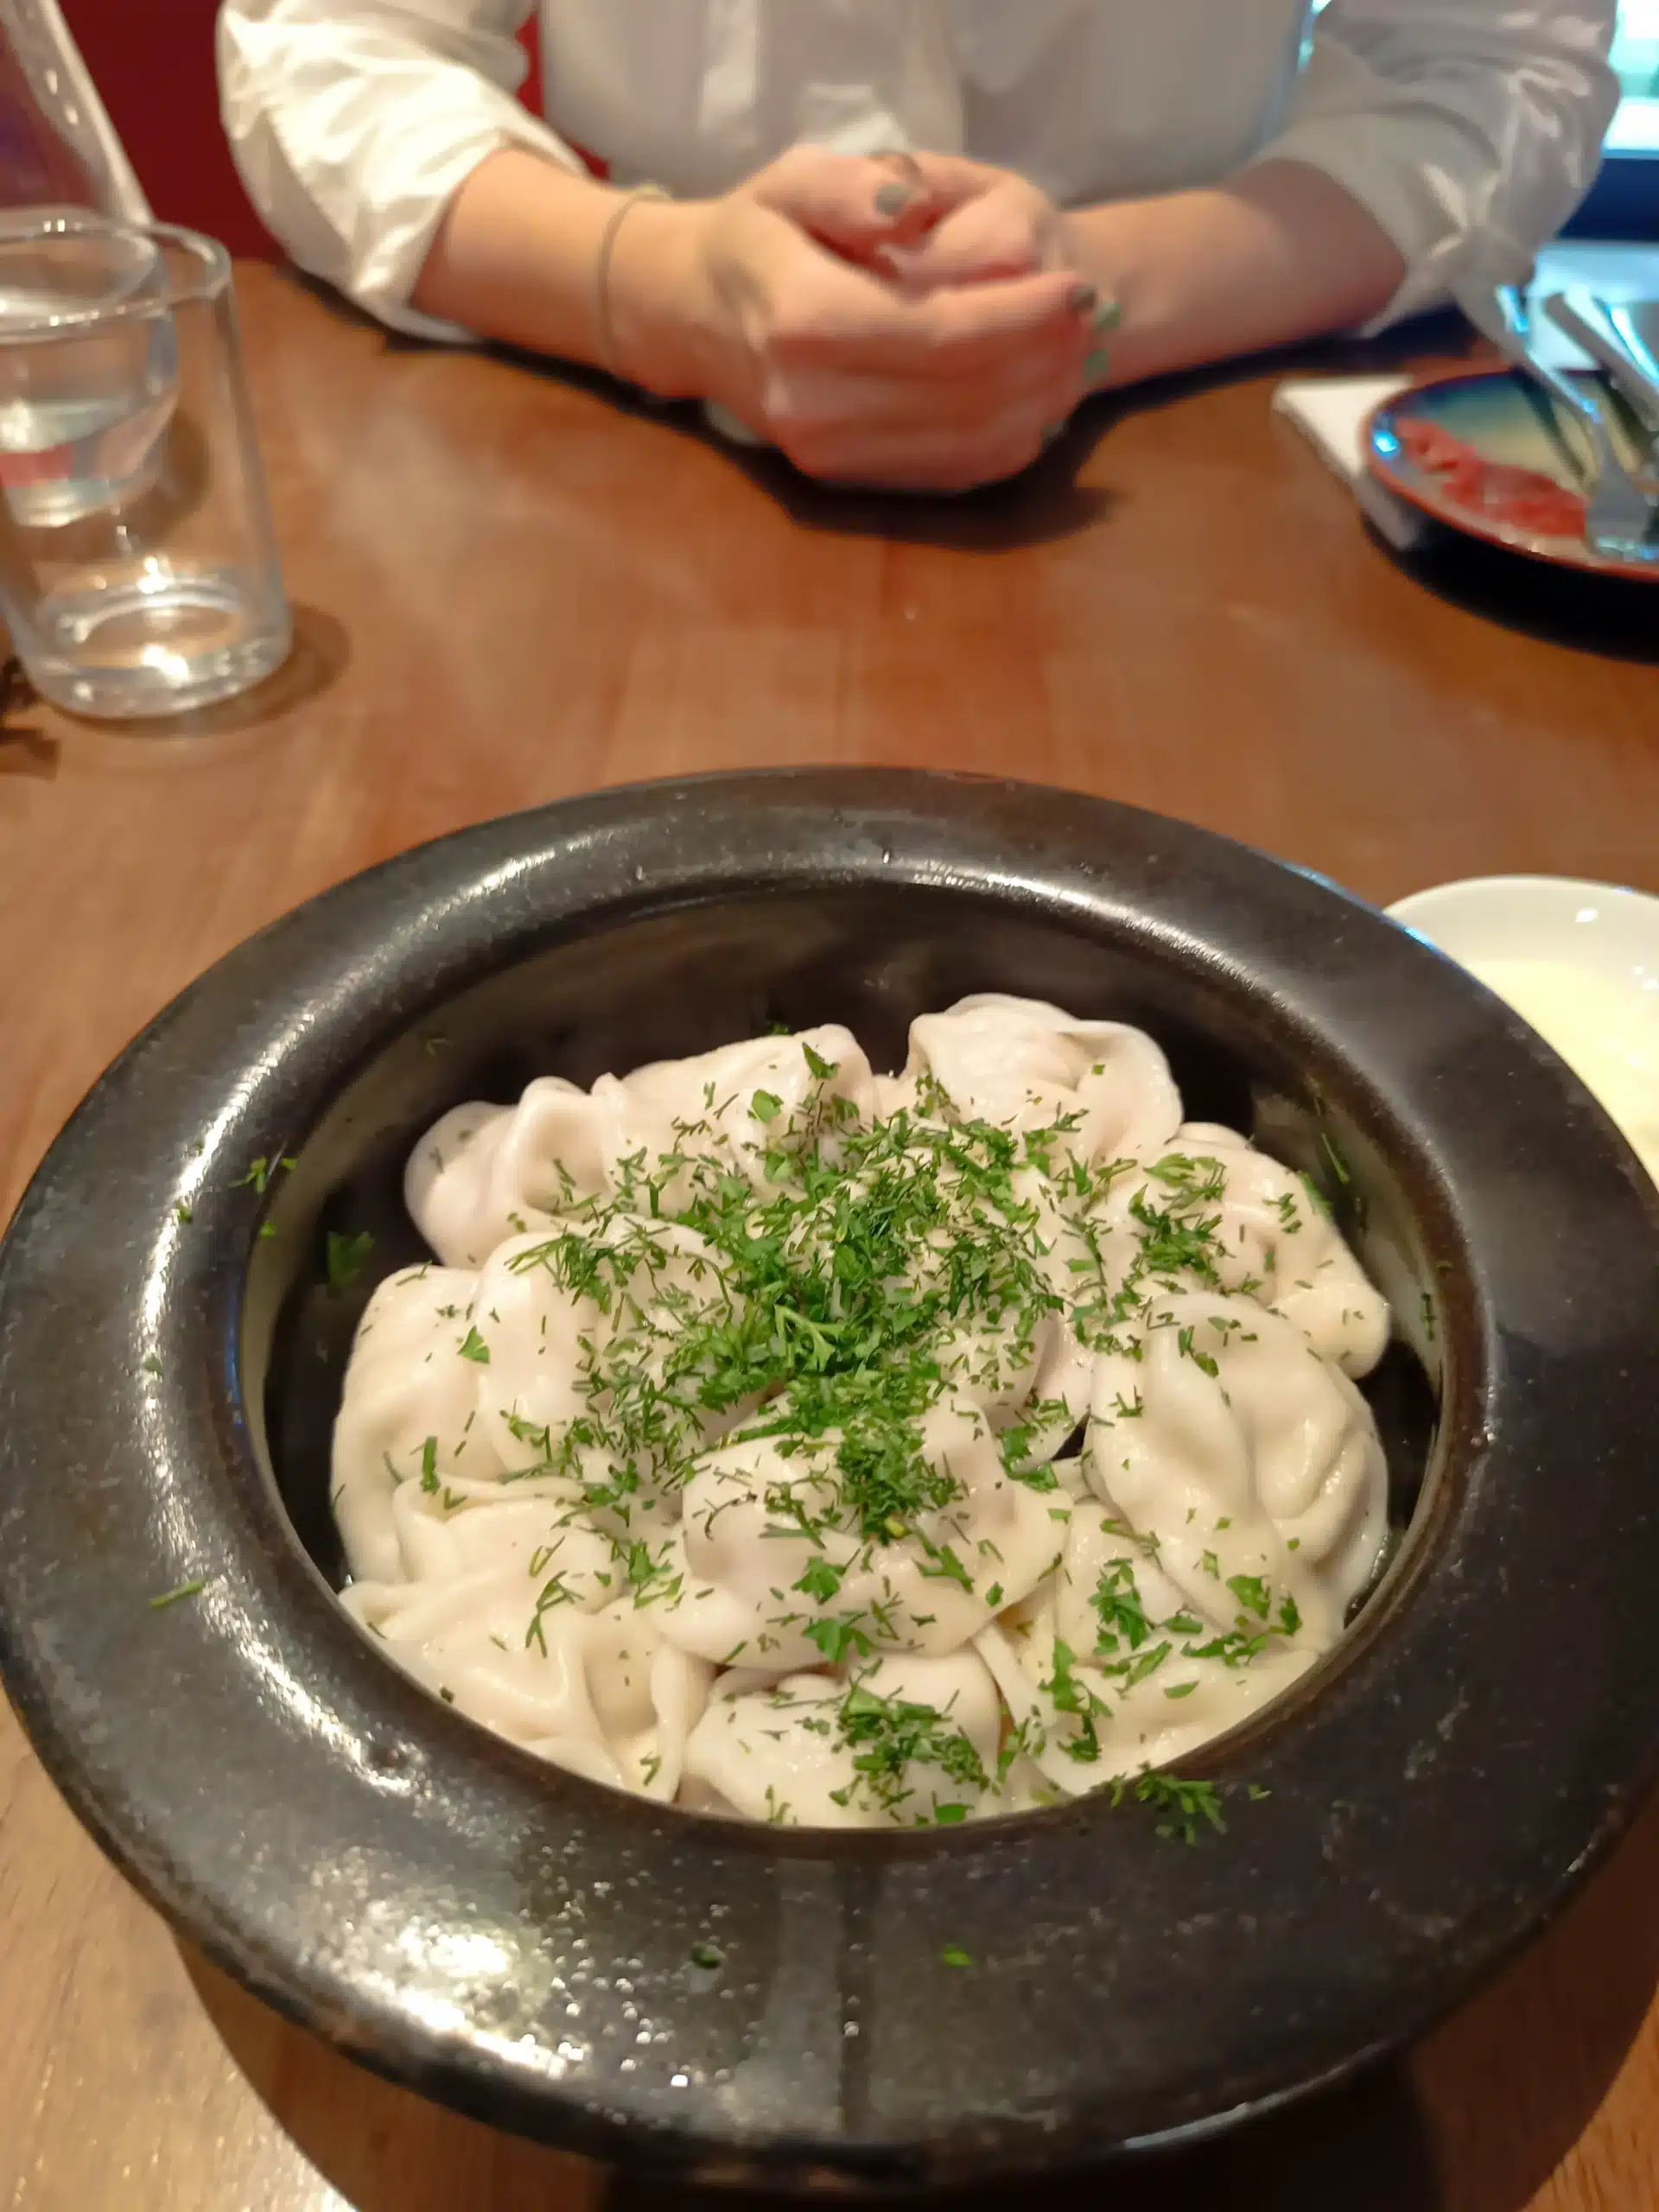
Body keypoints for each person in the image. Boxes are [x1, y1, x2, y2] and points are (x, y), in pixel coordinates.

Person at [218, 1, 1619, 493]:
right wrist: (661, 293)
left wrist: (1106, 291)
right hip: (604, 405)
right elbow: (331, 40)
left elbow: (1490, 66)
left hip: (1216, 410)